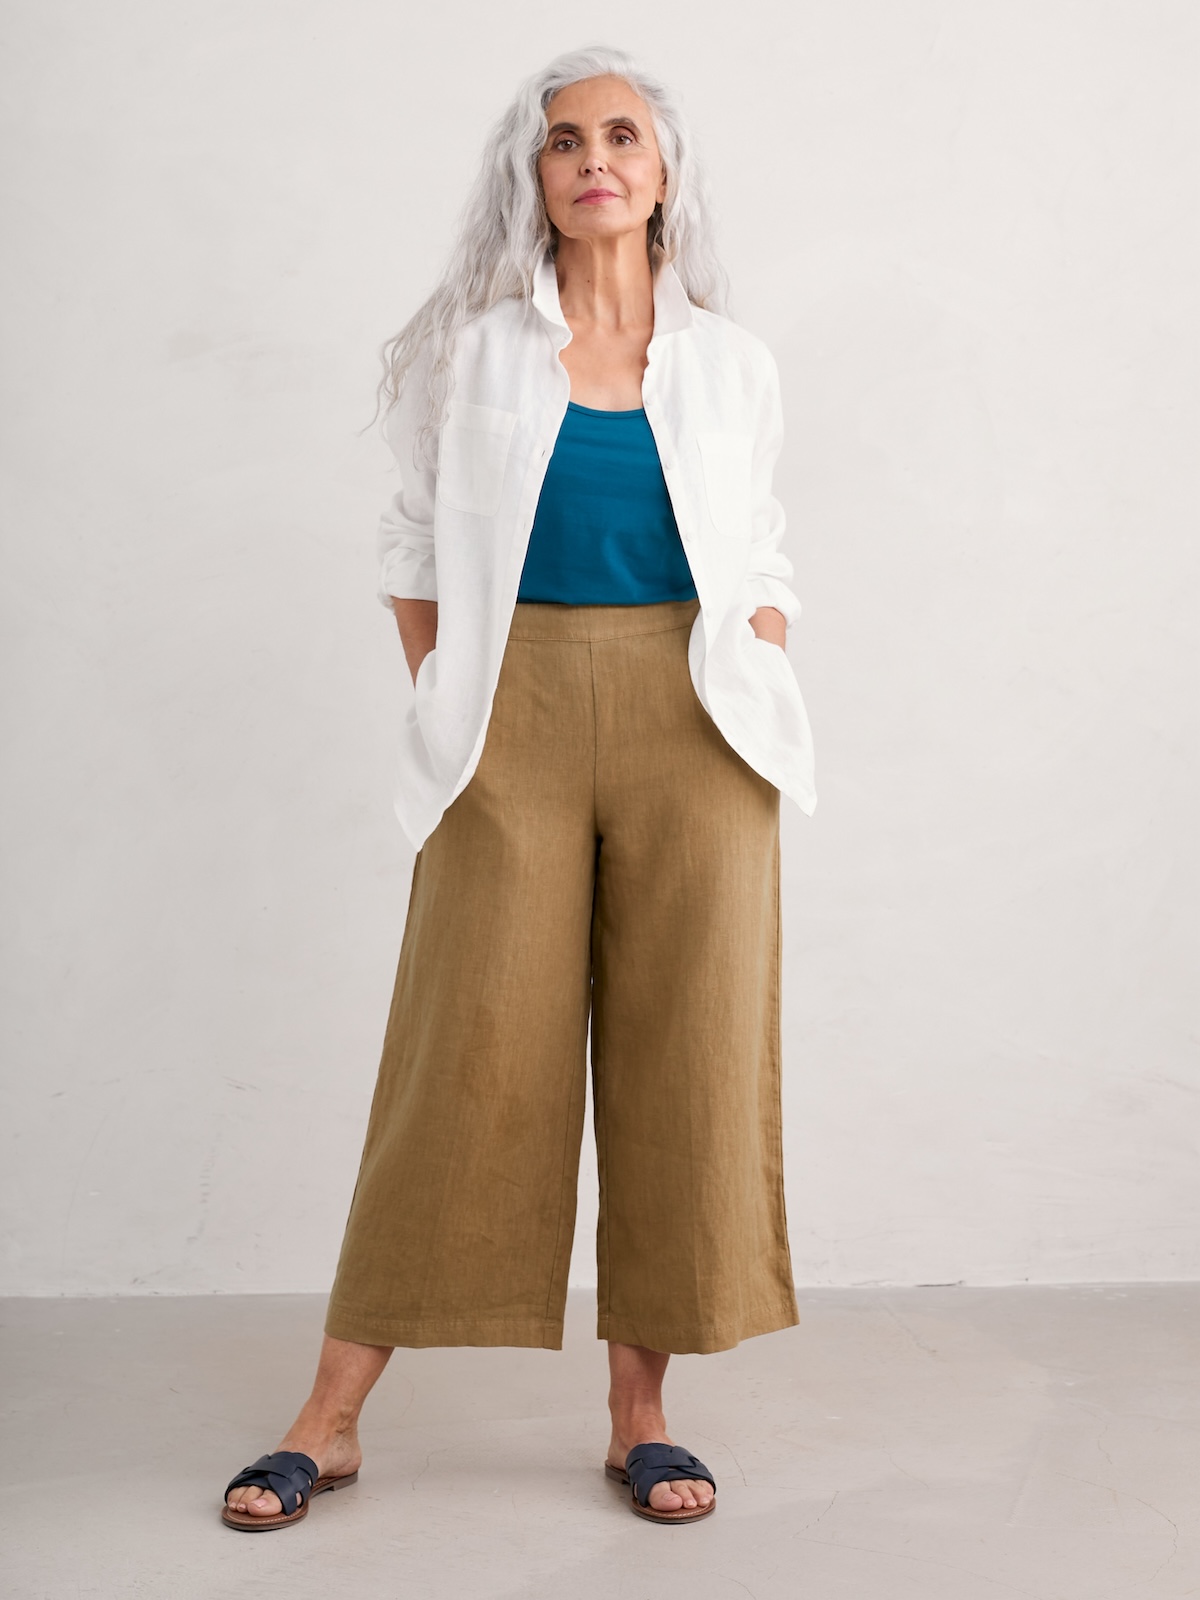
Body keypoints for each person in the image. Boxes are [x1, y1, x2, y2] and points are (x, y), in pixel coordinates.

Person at [221, 43, 816, 1533]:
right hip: (512, 711)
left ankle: (641, 1417)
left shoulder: (733, 363)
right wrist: (449, 694)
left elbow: (762, 542)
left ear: (665, 174)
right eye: (565, 140)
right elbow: (414, 539)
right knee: (464, 1054)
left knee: (687, 1056)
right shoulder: (475, 351)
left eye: (622, 135)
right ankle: (328, 1419)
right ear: (533, 177)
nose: (594, 158)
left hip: (698, 717)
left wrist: (756, 647)